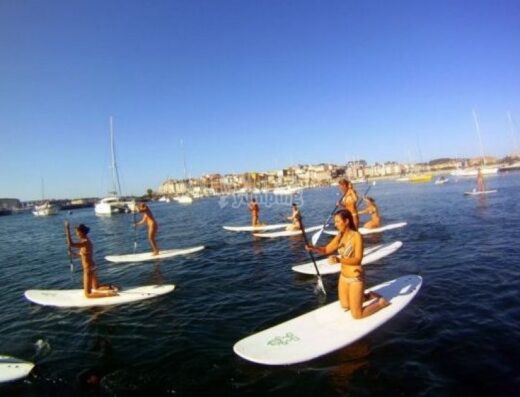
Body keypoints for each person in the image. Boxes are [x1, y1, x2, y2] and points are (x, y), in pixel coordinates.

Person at [305, 209, 389, 319]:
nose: (335, 224)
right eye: (335, 222)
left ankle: (381, 303)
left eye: (338, 221)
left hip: (355, 278)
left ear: (347, 221)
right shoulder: (340, 235)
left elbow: (358, 259)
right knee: (345, 305)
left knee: (357, 315)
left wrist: (339, 260)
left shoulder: (356, 236)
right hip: (343, 277)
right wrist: (313, 248)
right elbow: (326, 249)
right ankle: (367, 296)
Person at [64, 221, 118, 298]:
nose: (76, 234)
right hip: (92, 266)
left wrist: (67, 229)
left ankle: (109, 294)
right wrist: (72, 253)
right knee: (96, 287)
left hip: (88, 269)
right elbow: (83, 255)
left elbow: (71, 244)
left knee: (87, 294)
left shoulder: (85, 242)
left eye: (77, 232)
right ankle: (112, 287)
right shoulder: (85, 241)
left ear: (81, 232)